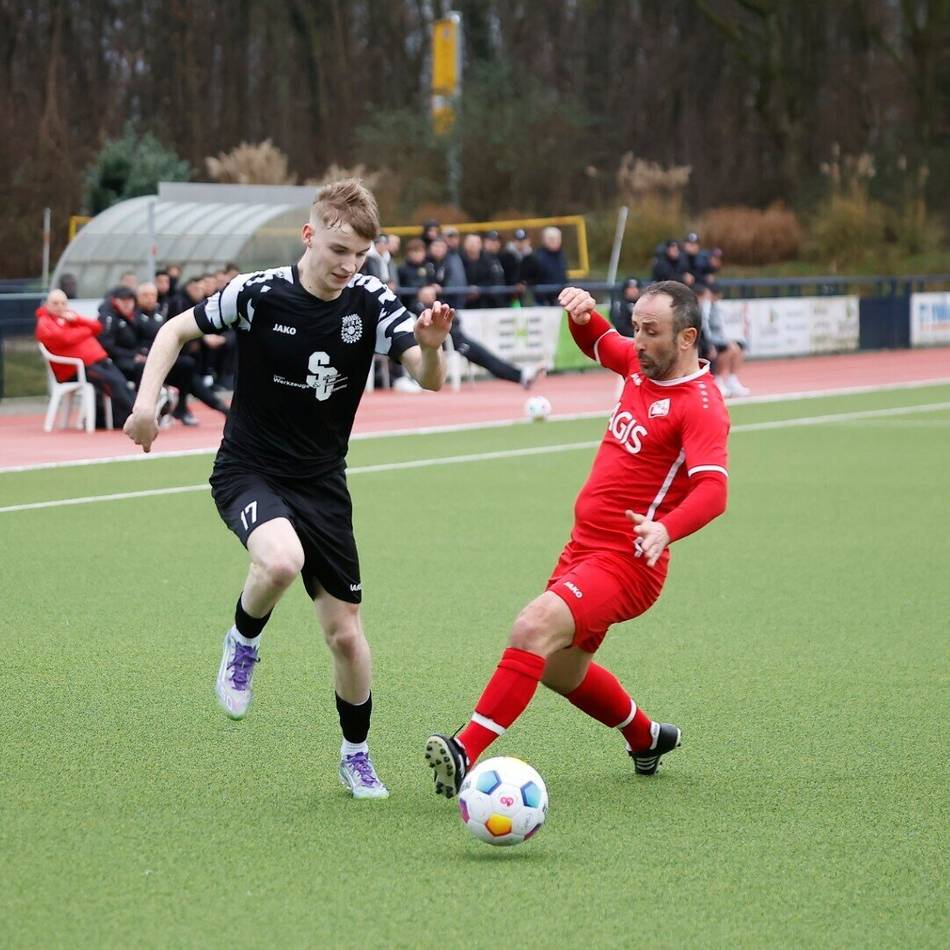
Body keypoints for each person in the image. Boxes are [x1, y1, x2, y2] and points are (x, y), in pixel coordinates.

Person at [124, 179, 455, 800]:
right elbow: (172, 331)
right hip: (249, 468)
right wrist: (146, 408)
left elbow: (428, 378)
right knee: (280, 560)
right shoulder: (257, 294)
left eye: (359, 255)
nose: (347, 266)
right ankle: (242, 641)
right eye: (337, 250)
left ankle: (355, 755)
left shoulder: (371, 300)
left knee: (346, 635)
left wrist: (433, 350)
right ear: (310, 235)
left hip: (323, 483)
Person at [424, 280, 730, 797]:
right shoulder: (639, 363)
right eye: (636, 327)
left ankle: (464, 749)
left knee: (532, 627)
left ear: (686, 338)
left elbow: (714, 490)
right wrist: (581, 313)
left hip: (628, 561)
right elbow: (598, 342)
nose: (637, 340)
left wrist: (665, 528)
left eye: (650, 331)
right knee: (560, 668)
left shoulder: (700, 405)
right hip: (583, 549)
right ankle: (646, 736)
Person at [35, 289, 136, 424]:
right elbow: (65, 338)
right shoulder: (45, 323)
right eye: (55, 303)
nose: (60, 307)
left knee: (122, 381)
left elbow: (96, 327)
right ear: (47, 305)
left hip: (98, 361)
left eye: (63, 303)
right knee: (114, 383)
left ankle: (139, 412)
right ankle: (134, 416)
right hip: (75, 370)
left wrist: (77, 320)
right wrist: (84, 331)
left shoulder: (71, 317)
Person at [697, 284, 749, 397]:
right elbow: (705, 327)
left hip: (717, 338)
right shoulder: (704, 307)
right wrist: (710, 343)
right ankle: (718, 379)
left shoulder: (715, 307)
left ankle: (732, 380)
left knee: (740, 346)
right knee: (729, 349)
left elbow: (721, 327)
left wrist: (727, 339)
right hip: (709, 339)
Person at [520, 226, 568, 304]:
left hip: (560, 299)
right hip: (542, 301)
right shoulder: (536, 257)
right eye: (551, 238)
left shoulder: (561, 255)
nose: (554, 241)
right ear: (544, 240)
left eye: (556, 238)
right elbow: (530, 278)